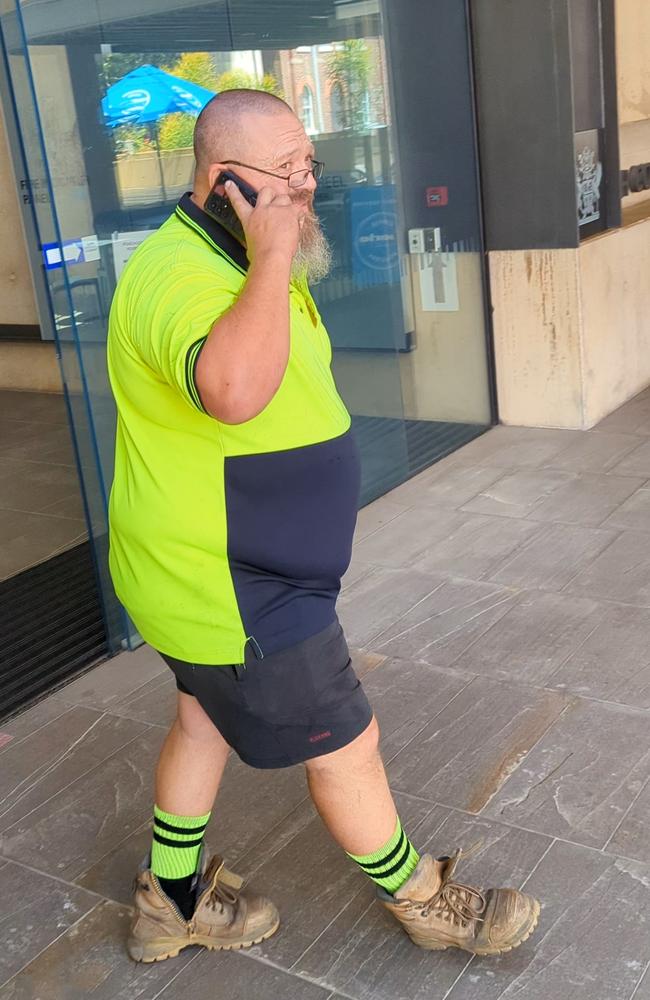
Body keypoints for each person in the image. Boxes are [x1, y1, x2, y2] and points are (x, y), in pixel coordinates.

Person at [107, 89, 540, 965]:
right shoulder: (178, 276)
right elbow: (231, 392)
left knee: (201, 720)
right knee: (349, 743)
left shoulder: (240, 252)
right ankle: (425, 900)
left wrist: (269, 249)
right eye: (286, 173)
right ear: (225, 180)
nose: (307, 187)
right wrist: (270, 256)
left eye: (310, 165)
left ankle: (169, 902)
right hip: (232, 584)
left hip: (227, 571)